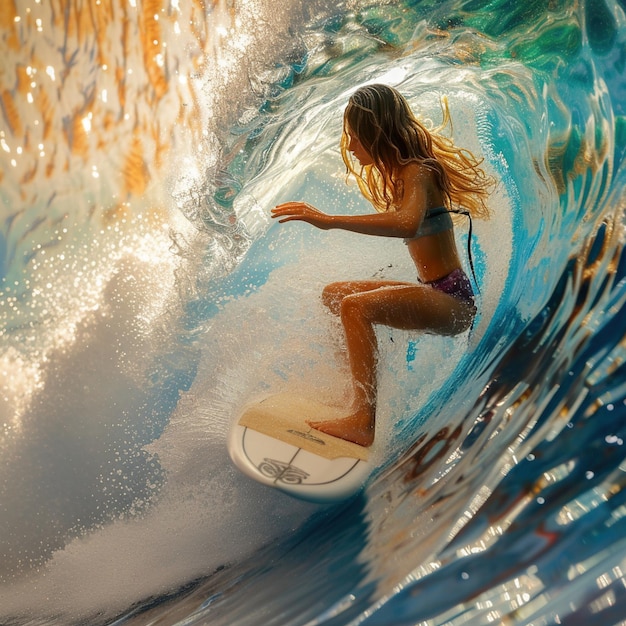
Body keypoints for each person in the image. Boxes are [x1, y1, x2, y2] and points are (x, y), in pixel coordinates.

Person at [271, 84, 493, 447]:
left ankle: (363, 421)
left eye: (356, 138)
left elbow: (406, 224)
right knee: (335, 295)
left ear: (376, 135)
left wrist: (329, 220)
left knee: (354, 306)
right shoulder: (405, 175)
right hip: (435, 293)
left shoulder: (417, 171)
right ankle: (356, 397)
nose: (351, 148)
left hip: (453, 302)